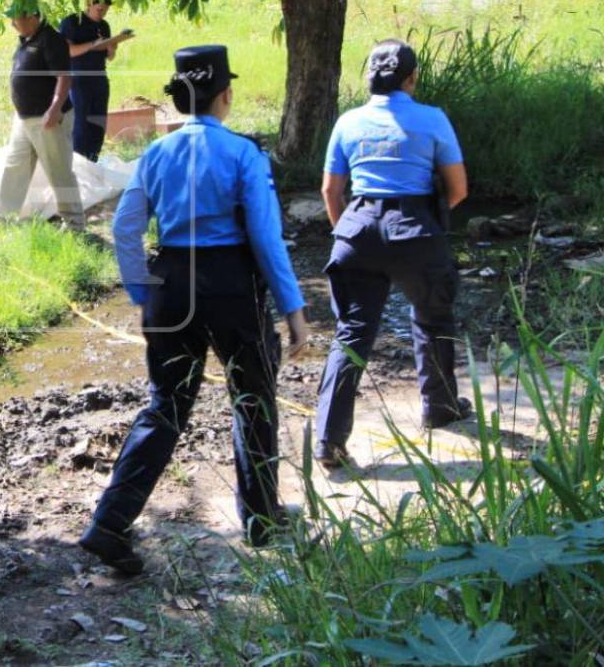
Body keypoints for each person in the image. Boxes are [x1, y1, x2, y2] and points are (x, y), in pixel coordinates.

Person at [80, 45, 309, 570]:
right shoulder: (244, 154)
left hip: (170, 285)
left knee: (165, 405)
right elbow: (265, 237)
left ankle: (109, 524)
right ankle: (259, 518)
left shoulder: (154, 156)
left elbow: (124, 229)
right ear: (225, 95)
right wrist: (293, 308)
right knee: (252, 397)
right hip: (231, 284)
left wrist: (144, 292)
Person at [314, 40, 471, 469]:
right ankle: (439, 409)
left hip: (357, 229)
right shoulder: (432, 119)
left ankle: (328, 440)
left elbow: (331, 191)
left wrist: (347, 231)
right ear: (411, 78)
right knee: (434, 318)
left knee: (351, 334)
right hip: (416, 228)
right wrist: (426, 224)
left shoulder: (348, 122)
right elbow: (458, 190)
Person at [0, 9, 85, 230]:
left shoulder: (51, 39)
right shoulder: (26, 39)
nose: (13, 24)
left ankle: (74, 223)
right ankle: (1, 220)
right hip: (24, 118)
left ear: (33, 17)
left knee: (58, 170)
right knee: (14, 166)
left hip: (47, 117)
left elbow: (64, 76)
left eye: (17, 19)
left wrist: (55, 108)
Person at [59, 0, 133, 162]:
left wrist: (113, 46)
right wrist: (93, 44)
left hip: (99, 79)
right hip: (78, 80)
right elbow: (67, 51)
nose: (103, 13)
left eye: (106, 9)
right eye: (100, 9)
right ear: (88, 4)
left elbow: (110, 57)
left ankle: (93, 162)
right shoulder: (72, 22)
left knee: (98, 126)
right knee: (81, 127)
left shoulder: (104, 25)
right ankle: (77, 165)